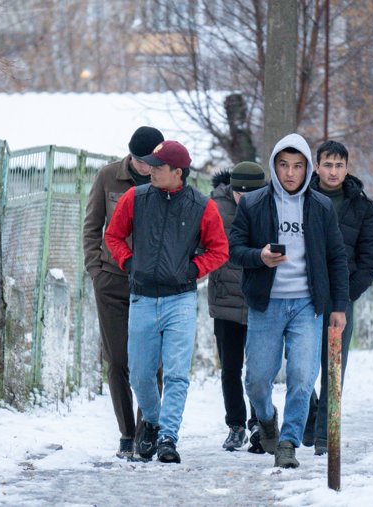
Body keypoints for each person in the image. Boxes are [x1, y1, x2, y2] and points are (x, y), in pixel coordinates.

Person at [228, 133, 349, 469]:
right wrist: (260, 256)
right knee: (256, 379)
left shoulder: (321, 206)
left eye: (298, 166)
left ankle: (288, 442)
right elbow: (234, 250)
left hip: (307, 305)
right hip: (266, 305)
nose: (291, 173)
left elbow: (336, 257)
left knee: (302, 375)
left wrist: (337, 306)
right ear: (274, 167)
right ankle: (267, 420)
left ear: (307, 168)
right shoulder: (253, 204)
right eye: (284, 165)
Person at [105, 140, 229, 463]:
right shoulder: (136, 198)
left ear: (177, 172)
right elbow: (113, 235)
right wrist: (128, 263)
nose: (151, 171)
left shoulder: (202, 206)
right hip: (142, 298)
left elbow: (220, 250)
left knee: (176, 374)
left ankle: (167, 438)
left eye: (158, 167)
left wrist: (193, 269)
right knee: (140, 374)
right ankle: (155, 423)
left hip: (180, 301)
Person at [82, 126, 164, 459]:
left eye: (154, 162)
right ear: (131, 156)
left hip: (153, 285)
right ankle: (127, 433)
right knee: (118, 360)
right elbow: (92, 225)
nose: (149, 168)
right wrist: (95, 270)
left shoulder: (167, 179)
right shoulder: (107, 177)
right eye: (143, 161)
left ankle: (148, 432)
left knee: (151, 363)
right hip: (113, 281)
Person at [303, 140, 373, 456]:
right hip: (301, 294)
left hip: (341, 298)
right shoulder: (301, 200)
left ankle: (325, 433)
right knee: (299, 364)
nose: (333, 171)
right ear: (317, 166)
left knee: (334, 366)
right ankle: (310, 414)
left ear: (346, 168)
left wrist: (346, 296)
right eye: (328, 164)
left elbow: (370, 257)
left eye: (339, 165)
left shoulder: (364, 208)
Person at [207, 161, 266, 452]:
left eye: (250, 193)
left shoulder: (270, 205)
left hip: (258, 300)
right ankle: (236, 425)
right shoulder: (215, 206)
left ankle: (259, 423)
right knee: (230, 368)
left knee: (258, 370)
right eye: (239, 193)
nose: (244, 199)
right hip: (225, 301)